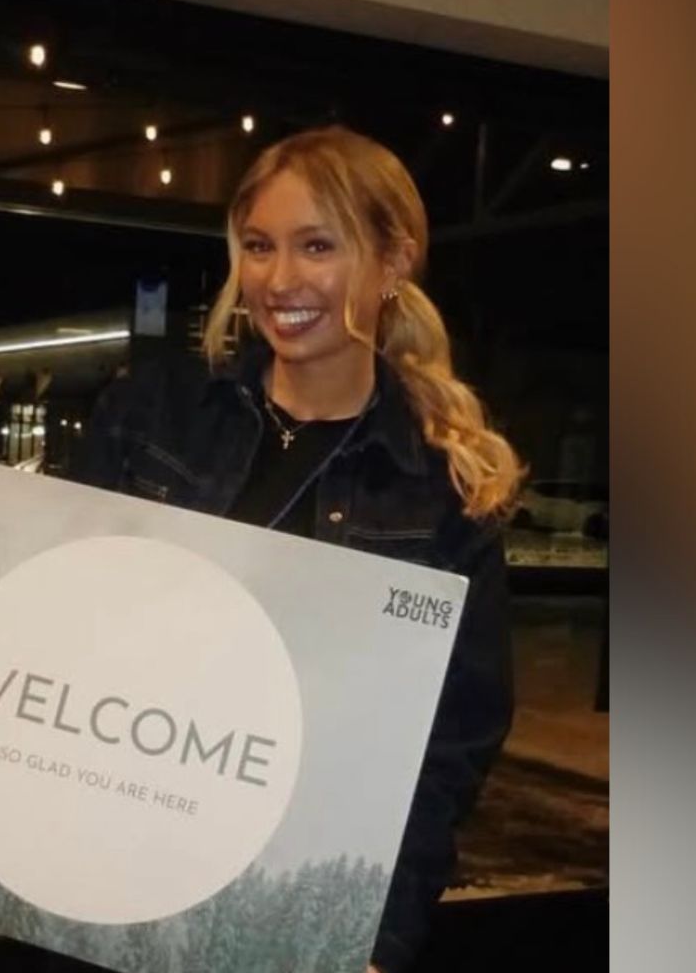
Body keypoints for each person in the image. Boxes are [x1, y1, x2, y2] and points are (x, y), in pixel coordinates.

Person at [66, 124, 523, 973]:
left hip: (286, 903)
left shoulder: (440, 491)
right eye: (259, 246)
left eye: (318, 246)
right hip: (115, 864)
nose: (279, 281)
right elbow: (51, 624)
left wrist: (378, 935)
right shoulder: (154, 416)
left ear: (393, 261)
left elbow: (450, 747)